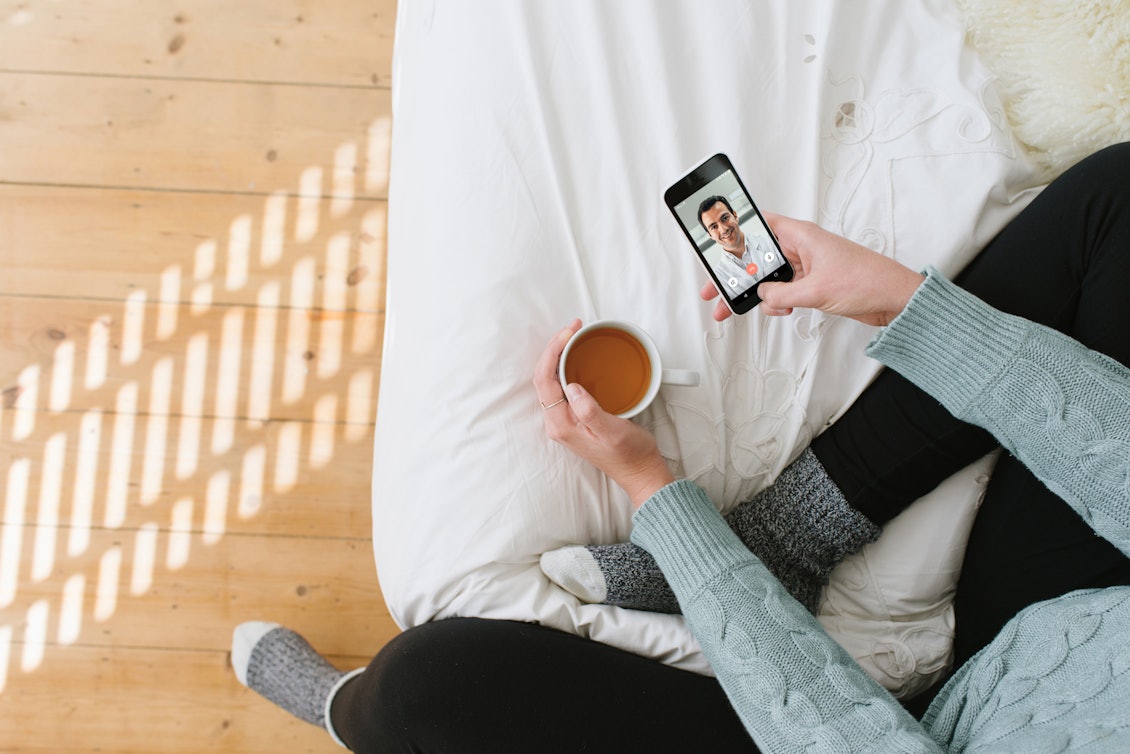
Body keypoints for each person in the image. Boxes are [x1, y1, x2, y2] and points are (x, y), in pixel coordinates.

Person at [230, 143, 1130, 752]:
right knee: (1121, 202)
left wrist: (662, 501)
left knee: (427, 685)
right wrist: (896, 300)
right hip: (1092, 605)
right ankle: (794, 531)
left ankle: (345, 713)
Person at [699, 195, 778, 294]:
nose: (723, 229)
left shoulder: (769, 238)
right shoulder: (718, 275)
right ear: (710, 235)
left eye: (724, 218)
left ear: (735, 216)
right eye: (714, 227)